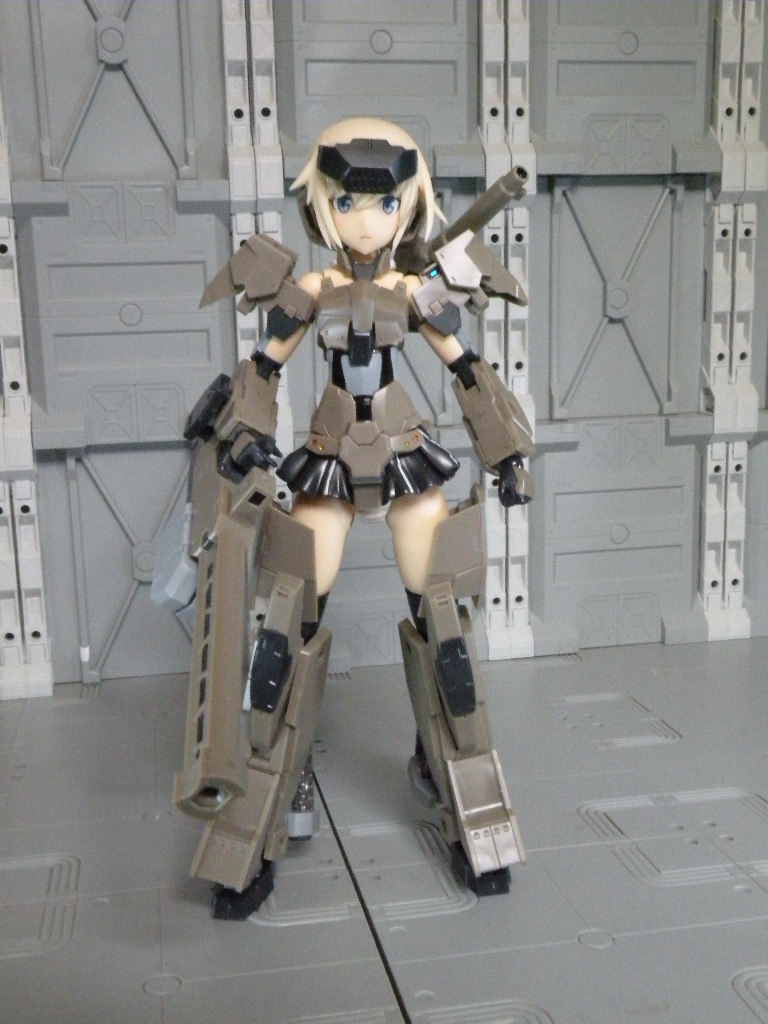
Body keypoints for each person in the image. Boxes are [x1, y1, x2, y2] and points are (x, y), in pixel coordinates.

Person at [174, 117, 535, 919]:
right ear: (319, 205)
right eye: (346, 202)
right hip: (328, 459)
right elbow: (262, 368)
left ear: (410, 206)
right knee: (282, 626)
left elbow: (469, 371)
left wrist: (506, 450)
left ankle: (465, 795)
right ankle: (260, 807)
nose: (365, 222)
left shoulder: (417, 288)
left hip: (405, 456)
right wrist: (245, 432)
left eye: (384, 204)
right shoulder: (307, 289)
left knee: (445, 625)